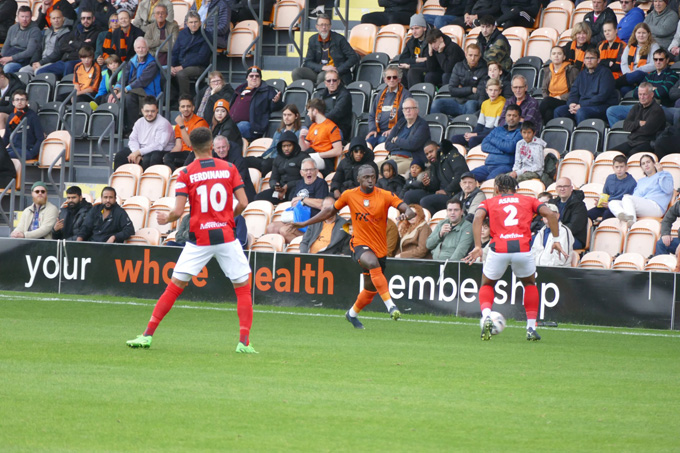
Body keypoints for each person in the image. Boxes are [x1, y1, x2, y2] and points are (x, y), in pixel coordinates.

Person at [126, 127, 256, 353]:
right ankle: (243, 342)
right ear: (212, 145)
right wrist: (228, 218)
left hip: (199, 239)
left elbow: (177, 211)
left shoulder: (186, 173)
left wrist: (168, 217)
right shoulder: (229, 168)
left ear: (192, 147)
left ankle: (147, 335)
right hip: (226, 235)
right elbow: (244, 203)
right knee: (242, 288)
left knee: (174, 288)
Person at [292, 164, 415, 329]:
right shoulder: (349, 195)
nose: (370, 180)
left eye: (372, 176)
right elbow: (329, 211)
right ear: (358, 179)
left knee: (370, 290)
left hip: (379, 247)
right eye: (366, 177)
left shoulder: (385, 195)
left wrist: (408, 212)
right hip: (359, 244)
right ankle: (391, 305)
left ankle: (351, 314)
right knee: (372, 263)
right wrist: (305, 223)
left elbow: (405, 208)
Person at [463, 174, 566, 341]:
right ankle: (531, 328)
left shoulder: (489, 202)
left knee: (487, 284)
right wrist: (555, 239)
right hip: (522, 249)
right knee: (529, 284)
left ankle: (487, 316)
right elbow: (550, 214)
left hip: (499, 249)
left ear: (496, 188)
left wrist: (477, 246)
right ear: (515, 188)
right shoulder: (528, 200)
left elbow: (477, 217)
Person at [607, 49, 679, 126]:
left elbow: (662, 92)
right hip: (641, 107)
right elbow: (635, 93)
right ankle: (624, 135)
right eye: (655, 59)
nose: (658, 62)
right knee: (611, 111)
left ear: (667, 60)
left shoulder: (672, 75)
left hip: (659, 108)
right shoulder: (650, 75)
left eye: (661, 59)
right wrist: (652, 90)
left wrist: (646, 91)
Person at [266, 157, 329, 243]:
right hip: (297, 219)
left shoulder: (321, 183)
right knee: (271, 227)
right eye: (306, 170)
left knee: (285, 230)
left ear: (317, 171)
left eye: (311, 170)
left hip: (311, 222)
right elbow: (295, 202)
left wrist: (303, 199)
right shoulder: (299, 183)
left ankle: (306, 247)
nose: (308, 172)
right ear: (301, 172)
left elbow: (321, 204)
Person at [553, 47, 618, 124]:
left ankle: (582, 135)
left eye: (592, 58)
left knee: (581, 112)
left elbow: (602, 96)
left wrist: (581, 105)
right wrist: (572, 103)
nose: (589, 61)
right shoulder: (581, 74)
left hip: (601, 106)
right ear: (584, 60)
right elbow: (573, 92)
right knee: (559, 111)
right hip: (582, 106)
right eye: (587, 58)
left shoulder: (606, 73)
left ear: (598, 60)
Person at [403, 140, 469, 214]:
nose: (429, 155)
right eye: (427, 154)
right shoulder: (434, 164)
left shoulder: (452, 155)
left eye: (431, 152)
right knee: (409, 195)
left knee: (425, 201)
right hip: (440, 193)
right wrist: (427, 185)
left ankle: (432, 224)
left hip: (454, 195)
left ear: (438, 148)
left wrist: (447, 191)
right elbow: (435, 186)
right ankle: (410, 220)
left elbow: (461, 176)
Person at [608, 154, 674, 227]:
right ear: (642, 168)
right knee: (612, 203)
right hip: (643, 206)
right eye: (643, 164)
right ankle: (626, 217)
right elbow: (636, 196)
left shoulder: (664, 174)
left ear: (654, 164)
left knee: (627, 198)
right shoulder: (641, 181)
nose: (646, 165)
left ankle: (632, 223)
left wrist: (661, 173)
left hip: (657, 207)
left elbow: (668, 190)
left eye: (648, 162)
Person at [293, 14, 358, 86]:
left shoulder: (339, 39)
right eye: (321, 25)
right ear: (316, 27)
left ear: (330, 26)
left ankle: (319, 95)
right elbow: (308, 62)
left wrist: (338, 70)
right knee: (296, 72)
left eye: (326, 25)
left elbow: (353, 57)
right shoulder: (312, 40)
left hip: (337, 73)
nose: (324, 27)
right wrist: (322, 67)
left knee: (323, 76)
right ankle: (303, 95)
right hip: (319, 71)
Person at [36, 9, 102, 77]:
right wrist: (79, 44)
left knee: (68, 66)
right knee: (40, 72)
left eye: (88, 18)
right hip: (64, 61)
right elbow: (62, 45)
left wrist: (72, 43)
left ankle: (64, 86)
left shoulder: (97, 32)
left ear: (93, 19)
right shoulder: (76, 30)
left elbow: (88, 47)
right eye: (83, 18)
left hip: (80, 62)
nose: (85, 20)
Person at [114, 96, 174, 170]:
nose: (149, 114)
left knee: (149, 158)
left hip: (159, 151)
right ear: (142, 110)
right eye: (147, 111)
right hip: (142, 150)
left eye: (152, 111)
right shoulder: (139, 122)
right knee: (120, 156)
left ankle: (146, 180)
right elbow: (133, 140)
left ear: (157, 110)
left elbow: (159, 146)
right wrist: (136, 153)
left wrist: (139, 152)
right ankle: (120, 180)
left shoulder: (163, 123)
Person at [115, 37, 161, 134]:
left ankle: (133, 129)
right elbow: (124, 76)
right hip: (133, 89)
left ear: (147, 48)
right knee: (109, 96)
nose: (141, 50)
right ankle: (117, 128)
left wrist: (125, 90)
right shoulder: (132, 61)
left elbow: (142, 81)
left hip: (147, 91)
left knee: (129, 98)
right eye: (138, 47)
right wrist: (116, 88)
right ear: (135, 49)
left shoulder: (152, 63)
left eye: (143, 47)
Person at [431, 43, 487, 117]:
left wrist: (461, 90)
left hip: (472, 102)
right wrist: (471, 89)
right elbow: (452, 90)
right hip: (457, 101)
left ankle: (466, 127)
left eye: (475, 55)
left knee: (471, 105)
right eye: (470, 55)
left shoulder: (484, 70)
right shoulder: (458, 66)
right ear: (466, 54)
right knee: (436, 104)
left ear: (479, 55)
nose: (473, 58)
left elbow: (480, 93)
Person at [611, 83, 667, 157]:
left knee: (631, 156)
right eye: (640, 94)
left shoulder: (657, 110)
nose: (642, 97)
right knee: (611, 154)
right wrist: (638, 123)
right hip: (632, 142)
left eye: (644, 94)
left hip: (648, 143)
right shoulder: (636, 107)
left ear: (652, 94)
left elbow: (647, 131)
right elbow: (626, 126)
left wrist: (633, 128)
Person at [471, 104, 523, 182]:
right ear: (505, 117)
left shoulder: (521, 132)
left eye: (514, 116)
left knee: (490, 181)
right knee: (468, 178)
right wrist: (502, 150)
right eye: (509, 115)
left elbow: (510, 147)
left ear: (519, 118)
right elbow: (484, 145)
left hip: (505, 166)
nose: (511, 118)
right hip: (488, 165)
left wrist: (494, 140)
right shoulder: (498, 130)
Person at [229, 66, 283, 141]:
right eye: (251, 76)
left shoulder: (268, 90)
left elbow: (275, 107)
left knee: (240, 127)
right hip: (232, 123)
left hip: (252, 127)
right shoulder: (240, 89)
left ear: (260, 78)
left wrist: (276, 102)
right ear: (247, 78)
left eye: (257, 76)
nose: (254, 78)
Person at [245, 104, 300, 175]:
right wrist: (262, 157)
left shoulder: (299, 132)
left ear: (296, 116)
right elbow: (271, 148)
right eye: (284, 115)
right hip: (269, 158)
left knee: (266, 164)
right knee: (245, 160)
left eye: (289, 115)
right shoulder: (278, 132)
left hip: (281, 161)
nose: (286, 117)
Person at [450, 77, 505, 148]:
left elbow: (495, 129)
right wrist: (471, 134)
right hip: (482, 132)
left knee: (473, 140)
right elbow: (480, 125)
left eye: (496, 90)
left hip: (492, 133)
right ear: (486, 90)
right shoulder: (485, 103)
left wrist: (475, 135)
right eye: (490, 90)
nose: (493, 93)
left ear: (500, 91)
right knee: (455, 138)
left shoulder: (502, 104)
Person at [255, 130, 306, 204]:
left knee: (292, 200)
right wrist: (275, 186)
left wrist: (288, 186)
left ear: (294, 145)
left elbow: (306, 179)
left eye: (289, 145)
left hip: (297, 189)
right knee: (258, 198)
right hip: (280, 190)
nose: (286, 148)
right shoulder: (278, 159)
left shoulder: (303, 157)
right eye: (284, 146)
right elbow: (273, 178)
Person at [366, 65, 411, 148]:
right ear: (385, 80)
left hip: (396, 132)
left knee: (381, 142)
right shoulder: (380, 94)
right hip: (378, 132)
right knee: (366, 144)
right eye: (389, 78)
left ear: (399, 79)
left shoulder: (406, 95)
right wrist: (372, 130)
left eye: (394, 77)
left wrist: (393, 130)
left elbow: (407, 117)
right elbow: (372, 116)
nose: (392, 80)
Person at [384, 97, 430, 174]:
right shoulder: (400, 123)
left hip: (410, 160)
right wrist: (404, 144)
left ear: (417, 110)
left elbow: (412, 145)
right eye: (405, 109)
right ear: (403, 111)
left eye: (411, 108)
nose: (408, 111)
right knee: (372, 169)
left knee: (389, 172)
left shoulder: (422, 125)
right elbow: (387, 144)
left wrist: (396, 140)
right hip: (392, 158)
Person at [163, 95, 209, 171]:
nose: (185, 109)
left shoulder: (200, 122)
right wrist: (167, 156)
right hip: (184, 153)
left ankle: (183, 178)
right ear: (179, 109)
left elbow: (192, 145)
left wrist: (182, 126)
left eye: (188, 106)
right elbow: (178, 146)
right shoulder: (179, 125)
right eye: (183, 106)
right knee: (166, 157)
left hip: (196, 153)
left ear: (193, 108)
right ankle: (174, 179)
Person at [171, 12, 210, 98]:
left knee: (181, 74)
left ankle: (185, 99)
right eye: (191, 22)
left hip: (198, 66)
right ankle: (171, 98)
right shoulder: (182, 34)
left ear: (200, 22)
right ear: (186, 24)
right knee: (163, 72)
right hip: (180, 65)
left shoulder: (206, 35)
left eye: (196, 22)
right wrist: (172, 66)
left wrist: (182, 66)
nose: (193, 24)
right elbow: (175, 52)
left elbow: (202, 58)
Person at [586, 154, 637, 222]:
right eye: (617, 167)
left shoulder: (632, 182)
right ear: (613, 168)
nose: (619, 169)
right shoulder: (610, 178)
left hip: (619, 208)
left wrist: (610, 205)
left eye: (621, 167)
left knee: (606, 215)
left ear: (626, 167)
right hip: (606, 205)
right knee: (587, 215)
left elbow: (630, 202)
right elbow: (605, 194)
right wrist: (600, 202)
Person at [299, 98, 342, 175]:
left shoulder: (331, 127)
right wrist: (301, 138)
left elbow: (338, 150)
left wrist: (318, 155)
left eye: (309, 111)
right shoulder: (312, 126)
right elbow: (304, 148)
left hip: (324, 159)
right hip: (310, 154)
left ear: (315, 111)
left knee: (301, 161)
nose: (308, 114)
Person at [308, 67, 352, 142]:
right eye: (329, 81)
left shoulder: (345, 95)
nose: (331, 83)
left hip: (337, 128)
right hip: (320, 126)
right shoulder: (320, 94)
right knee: (303, 132)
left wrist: (318, 121)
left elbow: (335, 113)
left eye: (334, 80)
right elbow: (310, 110)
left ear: (338, 82)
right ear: (325, 83)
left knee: (318, 138)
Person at [22, 9, 70, 76]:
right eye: (54, 18)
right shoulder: (47, 32)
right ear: (50, 20)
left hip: (53, 62)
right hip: (41, 61)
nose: (56, 20)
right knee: (23, 71)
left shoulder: (67, 34)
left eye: (58, 18)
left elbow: (57, 53)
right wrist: (34, 62)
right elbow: (39, 49)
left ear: (63, 19)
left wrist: (41, 63)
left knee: (38, 71)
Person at [539, 46, 579, 123]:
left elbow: (575, 90)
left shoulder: (572, 70)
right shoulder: (547, 70)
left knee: (546, 101)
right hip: (550, 101)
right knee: (548, 113)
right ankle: (547, 132)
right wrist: (548, 98)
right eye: (554, 54)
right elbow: (544, 89)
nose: (556, 56)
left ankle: (533, 122)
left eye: (559, 54)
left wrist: (561, 97)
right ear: (550, 57)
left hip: (565, 100)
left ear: (564, 57)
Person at [549, 177, 588, 250]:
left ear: (571, 188)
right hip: (553, 235)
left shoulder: (579, 205)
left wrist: (555, 232)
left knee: (550, 243)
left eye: (565, 186)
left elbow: (574, 227)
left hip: (573, 238)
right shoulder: (552, 203)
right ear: (556, 189)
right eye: (559, 186)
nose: (562, 189)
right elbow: (544, 221)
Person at [618, 23, 660, 92]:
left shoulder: (654, 46)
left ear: (648, 34)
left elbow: (655, 64)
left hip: (646, 75)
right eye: (639, 33)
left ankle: (614, 84)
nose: (641, 35)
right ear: (635, 34)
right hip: (631, 76)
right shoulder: (629, 47)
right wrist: (629, 73)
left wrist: (637, 70)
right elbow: (623, 63)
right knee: (624, 90)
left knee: (637, 74)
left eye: (644, 33)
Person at [0, 6, 42, 73]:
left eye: (27, 17)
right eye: (22, 16)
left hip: (23, 60)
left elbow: (30, 52)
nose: (24, 19)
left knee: (8, 68)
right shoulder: (12, 28)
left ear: (31, 17)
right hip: (10, 55)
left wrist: (10, 58)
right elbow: (6, 45)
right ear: (18, 17)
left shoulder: (35, 31)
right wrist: (2, 57)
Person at [531, 203, 574, 268]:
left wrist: (547, 268)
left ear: (558, 216)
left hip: (557, 272)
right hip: (539, 270)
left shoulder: (563, 231)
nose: (548, 217)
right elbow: (534, 252)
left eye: (552, 215)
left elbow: (562, 259)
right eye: (545, 215)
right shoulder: (541, 231)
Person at [4, 89, 44, 160]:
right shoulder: (11, 116)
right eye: (17, 99)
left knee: (5, 157)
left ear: (26, 102)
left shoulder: (32, 116)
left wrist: (32, 153)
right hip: (12, 149)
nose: (19, 102)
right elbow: (7, 137)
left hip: (26, 150)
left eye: (22, 99)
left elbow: (40, 138)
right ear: (13, 102)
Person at [397, 14, 429, 88]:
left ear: (424, 28)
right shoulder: (412, 41)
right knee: (397, 70)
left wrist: (410, 65)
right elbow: (402, 60)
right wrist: (416, 60)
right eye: (412, 29)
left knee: (412, 71)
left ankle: (415, 95)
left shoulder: (431, 40)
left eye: (417, 28)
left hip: (428, 68)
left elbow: (430, 62)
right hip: (416, 65)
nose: (414, 32)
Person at [142, 4, 178, 68]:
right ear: (154, 15)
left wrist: (154, 47)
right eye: (158, 13)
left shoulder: (173, 27)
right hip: (152, 58)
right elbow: (146, 43)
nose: (160, 15)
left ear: (166, 15)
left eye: (162, 13)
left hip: (168, 59)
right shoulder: (150, 27)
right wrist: (160, 42)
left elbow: (173, 45)